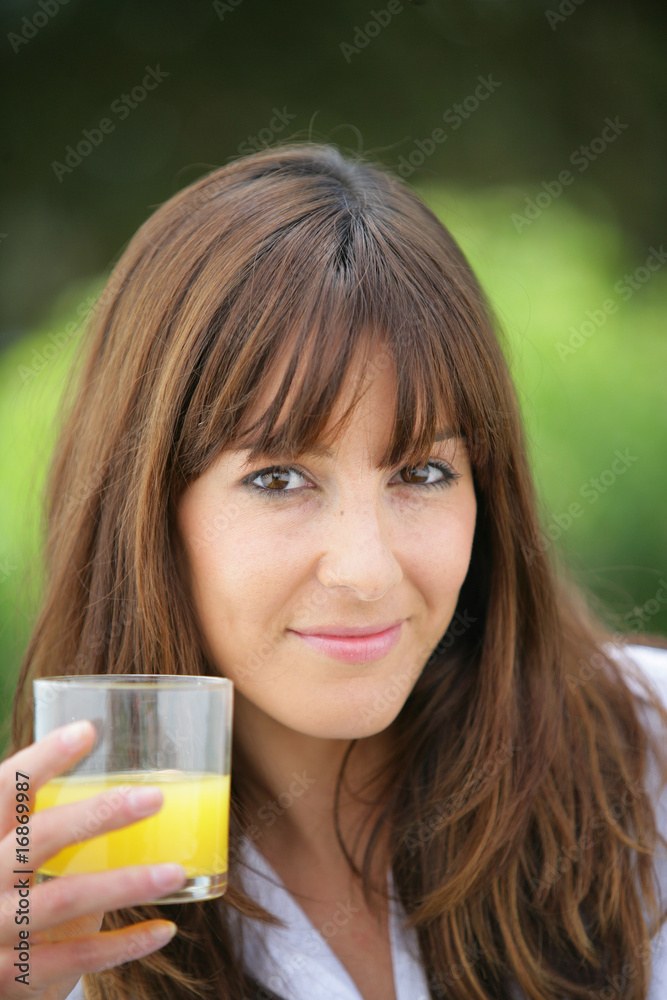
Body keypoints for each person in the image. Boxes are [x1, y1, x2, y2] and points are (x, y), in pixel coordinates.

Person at [2, 140, 666, 1000]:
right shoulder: (48, 911)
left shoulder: (647, 762)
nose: (365, 569)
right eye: (278, 479)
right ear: (147, 511)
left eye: (422, 472)